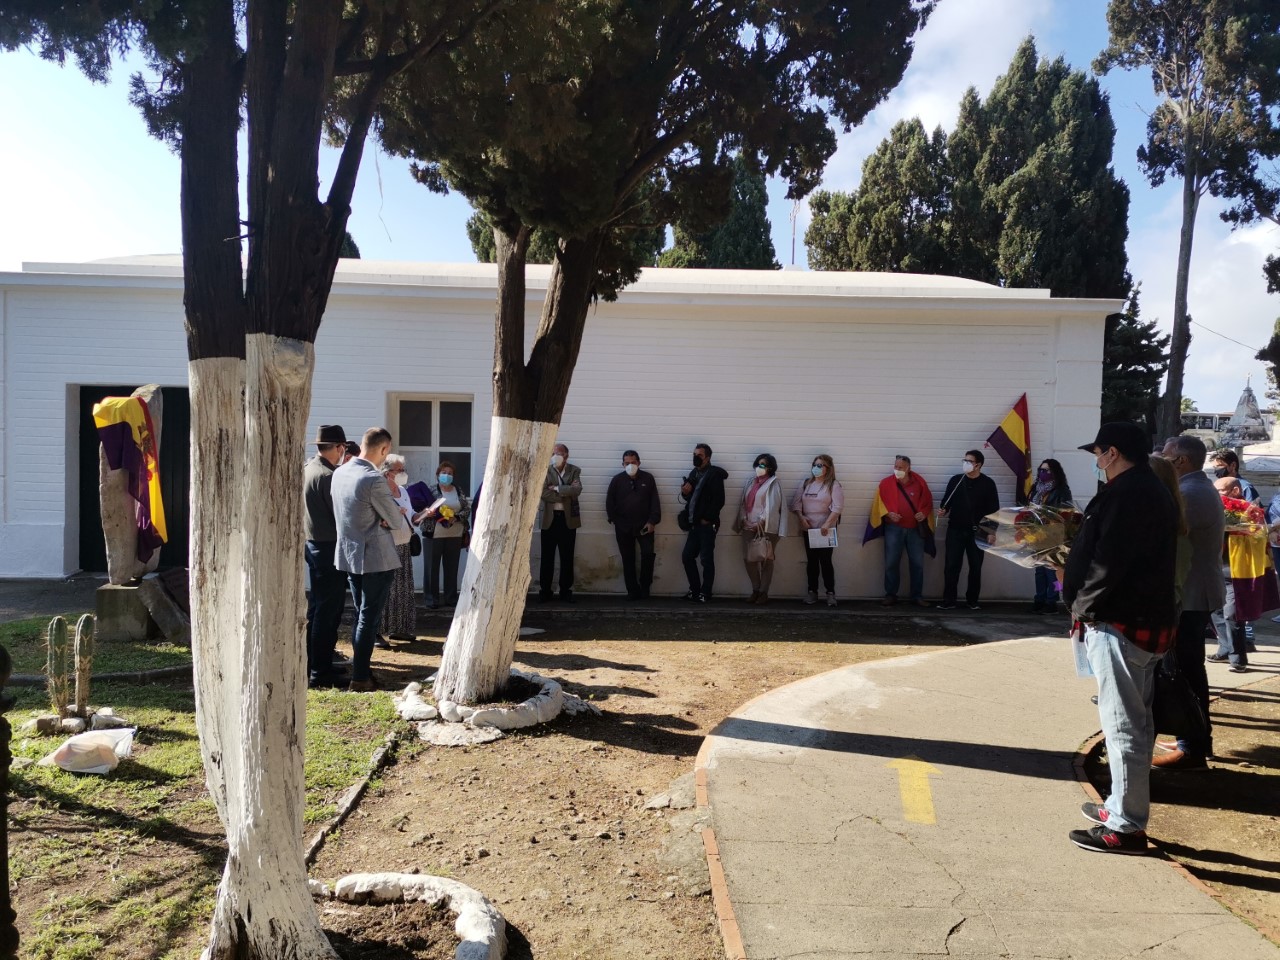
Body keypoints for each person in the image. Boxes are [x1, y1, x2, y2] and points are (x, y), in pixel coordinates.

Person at [1063, 421, 1178, 855]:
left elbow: (1111, 562)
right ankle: (1118, 807)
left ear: (1111, 453)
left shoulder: (1130, 494)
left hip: (1122, 623)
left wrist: (1083, 606)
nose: (1095, 460)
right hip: (1139, 621)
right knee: (1135, 721)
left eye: (1097, 452)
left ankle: (1127, 826)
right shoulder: (1144, 490)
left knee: (1122, 725)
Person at [332, 427, 403, 692]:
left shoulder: (340, 472)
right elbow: (395, 520)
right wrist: (385, 518)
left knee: (361, 615)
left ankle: (363, 671)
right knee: (367, 619)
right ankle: (360, 677)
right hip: (375, 557)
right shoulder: (373, 478)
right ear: (384, 449)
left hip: (350, 553)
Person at [303, 424, 349, 689]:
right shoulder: (328, 476)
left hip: (313, 544)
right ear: (339, 448)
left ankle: (314, 662)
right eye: (342, 448)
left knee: (318, 607)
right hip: (328, 546)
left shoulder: (309, 468)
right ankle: (320, 669)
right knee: (327, 611)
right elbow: (340, 515)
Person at [937, 449, 1000, 610]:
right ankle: (949, 601)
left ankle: (972, 601)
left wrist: (991, 532)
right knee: (951, 566)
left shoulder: (988, 484)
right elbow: (946, 503)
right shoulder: (956, 480)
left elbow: (994, 511)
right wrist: (943, 510)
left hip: (978, 532)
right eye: (964, 460)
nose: (965, 464)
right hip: (955, 530)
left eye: (969, 461)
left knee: (975, 567)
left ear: (978, 465)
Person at [1211, 449, 1260, 652]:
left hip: (1237, 558)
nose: (1217, 471)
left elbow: (1255, 522)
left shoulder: (1246, 488)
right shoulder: (1216, 487)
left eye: (1220, 467)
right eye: (1214, 468)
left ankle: (1242, 645)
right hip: (1219, 558)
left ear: (1232, 465)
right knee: (1220, 608)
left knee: (1236, 607)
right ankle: (1227, 647)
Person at [875, 455, 932, 608]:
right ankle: (891, 595)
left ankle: (917, 596)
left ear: (908, 468)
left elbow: (928, 502)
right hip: (893, 528)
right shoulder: (886, 483)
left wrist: (923, 513)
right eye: (895, 466)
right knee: (891, 563)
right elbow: (878, 505)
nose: (897, 470)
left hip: (914, 529)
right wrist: (888, 514)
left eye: (900, 467)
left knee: (917, 564)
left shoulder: (919, 482)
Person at [414, 460, 471, 610]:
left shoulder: (458, 490)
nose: (447, 475)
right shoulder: (431, 491)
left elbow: (466, 508)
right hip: (433, 534)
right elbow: (422, 508)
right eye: (444, 473)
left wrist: (456, 517)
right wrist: (430, 513)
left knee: (451, 568)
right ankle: (431, 599)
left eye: (450, 473)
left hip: (455, 534)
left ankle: (451, 598)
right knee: (431, 569)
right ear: (438, 475)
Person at [605, 450, 661, 599]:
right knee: (627, 558)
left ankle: (645, 588)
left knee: (648, 556)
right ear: (622, 464)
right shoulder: (617, 480)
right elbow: (610, 501)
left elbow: (655, 502)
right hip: (623, 526)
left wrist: (652, 521)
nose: (630, 465)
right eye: (627, 463)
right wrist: (614, 519)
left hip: (644, 526)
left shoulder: (648, 479)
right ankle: (632, 590)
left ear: (639, 463)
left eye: (633, 462)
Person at [735, 453, 789, 604]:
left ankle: (763, 593)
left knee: (766, 560)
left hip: (766, 527)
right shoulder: (751, 482)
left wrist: (760, 522)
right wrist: (744, 519)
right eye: (758, 464)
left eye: (763, 465)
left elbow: (773, 507)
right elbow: (743, 503)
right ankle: (755, 589)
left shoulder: (774, 483)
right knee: (749, 559)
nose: (759, 467)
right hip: (748, 525)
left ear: (770, 467)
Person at [791, 454, 844, 606]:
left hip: (825, 530)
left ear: (828, 468)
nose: (817, 468)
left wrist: (826, 524)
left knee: (826, 562)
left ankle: (830, 594)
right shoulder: (806, 483)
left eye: (820, 465)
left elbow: (837, 507)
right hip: (809, 529)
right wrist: (801, 518)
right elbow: (795, 503)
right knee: (812, 562)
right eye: (815, 464)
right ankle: (812, 592)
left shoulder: (833, 485)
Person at [680, 442, 728, 603]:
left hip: (707, 524)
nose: (696, 457)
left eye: (699, 455)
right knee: (687, 556)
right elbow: (690, 497)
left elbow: (719, 500)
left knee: (706, 559)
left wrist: (707, 518)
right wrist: (684, 492)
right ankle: (694, 590)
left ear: (707, 458)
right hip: (694, 524)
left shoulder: (714, 474)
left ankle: (705, 592)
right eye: (694, 454)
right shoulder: (694, 472)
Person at [378, 454, 417, 643]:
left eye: (403, 469)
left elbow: (411, 515)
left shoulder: (403, 490)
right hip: (387, 545)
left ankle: (399, 627)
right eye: (398, 470)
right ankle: (378, 630)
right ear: (387, 472)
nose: (403, 473)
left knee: (403, 589)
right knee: (386, 591)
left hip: (404, 545)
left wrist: (423, 514)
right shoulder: (380, 491)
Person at [538, 443, 582, 602]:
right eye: (554, 453)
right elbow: (542, 493)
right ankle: (545, 591)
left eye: (560, 453)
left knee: (567, 556)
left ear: (567, 456)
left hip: (568, 520)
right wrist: (565, 493)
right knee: (547, 557)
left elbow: (576, 490)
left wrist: (556, 488)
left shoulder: (574, 470)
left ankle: (565, 591)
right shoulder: (544, 470)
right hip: (549, 519)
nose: (557, 456)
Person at [1029, 458, 1072, 614]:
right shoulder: (1036, 488)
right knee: (1039, 570)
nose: (1042, 473)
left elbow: (1067, 513)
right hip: (1037, 535)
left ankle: (1052, 601)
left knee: (1052, 570)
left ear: (1054, 472)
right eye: (1040, 470)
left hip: (1053, 534)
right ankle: (1039, 599)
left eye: (1046, 470)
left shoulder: (1062, 489)